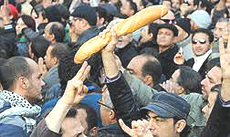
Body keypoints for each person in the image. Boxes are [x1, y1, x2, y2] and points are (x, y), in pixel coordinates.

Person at [100, 28, 191, 137]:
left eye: (158, 120)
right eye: (148, 118)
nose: (150, 126)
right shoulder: (141, 132)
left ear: (179, 126)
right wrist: (107, 55)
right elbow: (122, 98)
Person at [0, 57, 45, 137]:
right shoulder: (12, 126)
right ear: (24, 82)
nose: (43, 83)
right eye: (38, 78)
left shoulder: (22, 115)